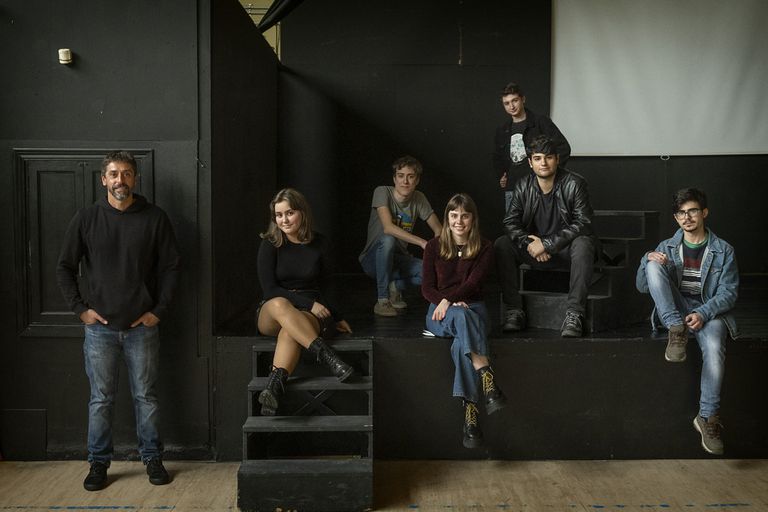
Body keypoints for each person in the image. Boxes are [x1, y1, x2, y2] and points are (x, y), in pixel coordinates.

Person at [56, 151, 180, 491]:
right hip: (100, 330)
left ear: (135, 178)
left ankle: (152, 458)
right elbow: (64, 267)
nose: (120, 180)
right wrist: (80, 310)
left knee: (146, 397)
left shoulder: (155, 218)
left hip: (142, 327)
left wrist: (160, 310)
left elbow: (171, 268)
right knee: (101, 399)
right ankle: (98, 464)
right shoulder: (87, 218)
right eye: (113, 174)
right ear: (103, 179)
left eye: (126, 174)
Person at [636, 188, 738, 455]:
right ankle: (675, 329)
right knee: (652, 263)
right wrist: (646, 260)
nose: (687, 217)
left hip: (709, 311)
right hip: (677, 310)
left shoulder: (723, 250)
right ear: (676, 218)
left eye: (692, 211)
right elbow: (642, 286)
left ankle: (707, 418)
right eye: (681, 213)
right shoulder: (667, 247)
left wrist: (703, 313)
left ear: (704, 213)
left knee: (715, 349)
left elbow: (729, 293)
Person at [256, 188, 354, 417]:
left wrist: (337, 317)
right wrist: (309, 305)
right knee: (281, 304)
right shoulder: (270, 244)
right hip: (273, 310)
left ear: (302, 213)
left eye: (289, 213)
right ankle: (328, 356)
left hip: (307, 310)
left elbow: (329, 285)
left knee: (291, 331)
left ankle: (272, 389)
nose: (284, 220)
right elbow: (270, 289)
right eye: (278, 215)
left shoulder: (320, 243)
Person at [422, 193, 506, 449]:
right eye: (454, 215)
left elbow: (473, 284)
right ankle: (485, 374)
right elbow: (427, 289)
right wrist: (446, 302)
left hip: (474, 309)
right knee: (460, 315)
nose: (459, 221)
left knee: (461, 343)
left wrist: (451, 300)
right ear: (447, 217)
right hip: (438, 312)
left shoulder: (485, 247)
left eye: (465, 216)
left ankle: (471, 418)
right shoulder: (433, 246)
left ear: (473, 219)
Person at [494, 134, 597, 337]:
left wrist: (548, 244)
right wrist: (530, 243)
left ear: (557, 159)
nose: (544, 163)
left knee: (584, 243)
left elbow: (584, 222)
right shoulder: (523, 185)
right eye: (538, 158)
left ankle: (574, 314)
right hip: (535, 250)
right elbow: (510, 222)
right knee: (502, 244)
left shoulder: (574, 183)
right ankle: (514, 310)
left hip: (565, 250)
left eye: (549, 157)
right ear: (531, 163)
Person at [359, 155, 442, 317]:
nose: (405, 181)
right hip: (373, 259)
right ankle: (382, 300)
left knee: (431, 271)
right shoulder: (382, 192)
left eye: (410, 177)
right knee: (388, 240)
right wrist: (422, 242)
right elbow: (388, 228)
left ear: (417, 180)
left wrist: (437, 248)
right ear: (394, 178)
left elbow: (439, 228)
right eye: (401, 176)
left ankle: (395, 287)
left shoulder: (419, 198)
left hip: (399, 260)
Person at [493, 82, 571, 212]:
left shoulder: (541, 122)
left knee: (541, 228)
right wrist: (501, 175)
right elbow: (497, 157)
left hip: (539, 188)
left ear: (523, 99)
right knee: (514, 228)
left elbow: (563, 148)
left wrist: (550, 175)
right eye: (507, 103)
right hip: (513, 188)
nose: (511, 106)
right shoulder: (503, 130)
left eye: (515, 101)